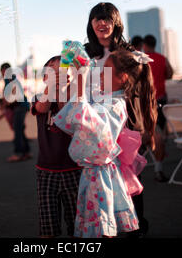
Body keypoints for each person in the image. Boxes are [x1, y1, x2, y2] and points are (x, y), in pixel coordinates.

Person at [54, 49, 155, 238]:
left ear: (123, 77)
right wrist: (77, 77)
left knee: (101, 227)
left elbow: (85, 119)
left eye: (105, 70)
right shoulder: (107, 99)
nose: (100, 74)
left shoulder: (116, 104)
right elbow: (80, 109)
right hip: (97, 173)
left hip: (101, 175)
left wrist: (82, 79)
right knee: (100, 225)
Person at [84, 2, 150, 237]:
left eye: (107, 19)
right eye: (97, 19)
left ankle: (136, 227)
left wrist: (148, 126)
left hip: (125, 124)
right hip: (95, 125)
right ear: (91, 24)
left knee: (129, 178)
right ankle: (105, 228)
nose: (102, 23)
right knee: (99, 180)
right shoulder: (83, 53)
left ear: (116, 23)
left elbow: (143, 91)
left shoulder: (129, 52)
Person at [32, 56, 81, 238]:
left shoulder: (76, 98)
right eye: (52, 71)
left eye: (62, 69)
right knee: (48, 226)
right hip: (46, 170)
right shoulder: (39, 97)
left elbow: (66, 112)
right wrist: (52, 86)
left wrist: (63, 88)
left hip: (73, 168)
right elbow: (42, 108)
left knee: (76, 225)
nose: (58, 73)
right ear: (45, 78)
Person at [143, 34, 173, 182]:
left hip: (147, 103)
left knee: (153, 134)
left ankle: (157, 164)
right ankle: (159, 161)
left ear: (144, 44)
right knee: (160, 132)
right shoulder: (162, 58)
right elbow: (170, 74)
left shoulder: (141, 59)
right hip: (161, 99)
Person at [0, 62, 31, 162]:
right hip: (22, 105)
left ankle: (18, 153)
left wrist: (5, 104)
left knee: (17, 129)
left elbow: (12, 95)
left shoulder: (9, 79)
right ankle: (26, 152)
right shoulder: (11, 78)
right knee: (20, 129)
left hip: (20, 106)